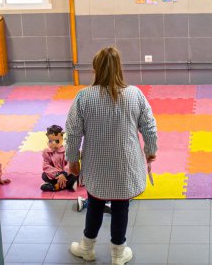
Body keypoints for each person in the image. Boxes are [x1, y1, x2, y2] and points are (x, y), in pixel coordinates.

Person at [66, 47, 157, 265]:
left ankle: (87, 248)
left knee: (95, 203)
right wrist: (150, 152)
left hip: (96, 164)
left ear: (96, 68)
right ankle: (118, 253)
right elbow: (150, 128)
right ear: (119, 69)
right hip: (125, 165)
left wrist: (72, 160)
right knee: (120, 206)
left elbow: (73, 132)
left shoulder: (84, 97)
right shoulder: (135, 94)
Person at [40, 125, 77, 192]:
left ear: (62, 140)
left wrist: (63, 174)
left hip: (66, 175)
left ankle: (55, 187)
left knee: (74, 174)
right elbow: (46, 166)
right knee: (44, 175)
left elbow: (70, 164)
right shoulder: (47, 152)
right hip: (55, 175)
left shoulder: (67, 150)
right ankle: (67, 185)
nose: (53, 144)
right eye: (50, 141)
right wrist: (58, 174)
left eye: (56, 141)